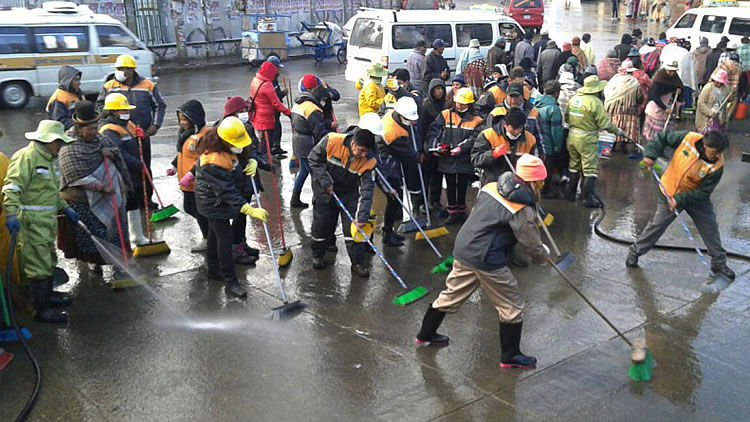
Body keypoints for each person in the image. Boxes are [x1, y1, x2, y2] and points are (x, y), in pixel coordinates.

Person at [414, 154, 550, 371]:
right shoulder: (521, 208)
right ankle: (510, 356)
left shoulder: (491, 187)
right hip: (487, 258)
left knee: (450, 295)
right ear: (535, 182)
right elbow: (530, 242)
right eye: (541, 182)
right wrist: (542, 256)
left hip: (465, 248)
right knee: (512, 305)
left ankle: (425, 334)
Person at [626, 130, 734, 281]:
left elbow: (704, 192)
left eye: (720, 152)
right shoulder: (688, 138)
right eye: (715, 152)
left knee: (710, 227)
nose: (717, 156)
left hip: (695, 198)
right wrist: (650, 155)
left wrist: (680, 199)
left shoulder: (717, 166)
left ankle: (718, 263)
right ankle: (635, 253)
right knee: (657, 225)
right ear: (705, 145)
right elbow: (662, 137)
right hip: (669, 190)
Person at [3, 120, 79, 323]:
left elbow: (51, 192)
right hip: (30, 221)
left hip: (45, 221)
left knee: (48, 259)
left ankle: (48, 297)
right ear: (47, 140)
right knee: (37, 264)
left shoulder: (49, 160)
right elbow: (12, 187)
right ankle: (41, 310)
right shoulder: (27, 157)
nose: (60, 147)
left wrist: (65, 208)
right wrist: (10, 213)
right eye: (58, 143)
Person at [187, 118, 268, 298]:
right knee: (225, 238)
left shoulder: (230, 144)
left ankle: (213, 269)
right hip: (212, 202)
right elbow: (226, 191)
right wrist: (249, 209)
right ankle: (231, 281)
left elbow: (245, 153)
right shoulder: (212, 161)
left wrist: (252, 161)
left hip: (219, 199)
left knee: (215, 235)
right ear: (224, 140)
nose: (239, 147)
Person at [58, 102, 130, 268]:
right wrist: (101, 187)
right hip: (81, 200)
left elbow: (116, 154)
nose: (93, 132)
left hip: (109, 196)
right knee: (92, 235)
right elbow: (74, 175)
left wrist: (110, 153)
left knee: (113, 231)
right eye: (89, 129)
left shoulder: (100, 139)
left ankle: (118, 263)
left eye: (95, 128)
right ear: (78, 128)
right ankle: (94, 263)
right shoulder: (69, 145)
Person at [308, 117, 379, 277]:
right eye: (361, 150)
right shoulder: (331, 140)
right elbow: (313, 159)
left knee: (353, 231)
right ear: (352, 143)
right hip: (325, 191)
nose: (363, 155)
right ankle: (318, 255)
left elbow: (367, 191)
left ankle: (357, 262)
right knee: (322, 226)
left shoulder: (368, 161)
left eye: (366, 152)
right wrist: (325, 181)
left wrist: (362, 217)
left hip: (349, 193)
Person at [95, 54, 166, 206]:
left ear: (132, 70)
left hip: (142, 135)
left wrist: (154, 126)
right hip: (120, 134)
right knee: (126, 166)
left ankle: (146, 199)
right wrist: (110, 116)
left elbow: (160, 106)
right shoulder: (109, 86)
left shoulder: (148, 86)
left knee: (144, 166)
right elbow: (100, 107)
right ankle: (130, 197)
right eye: (118, 69)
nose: (119, 71)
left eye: (123, 69)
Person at [220, 97, 270, 265]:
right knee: (239, 215)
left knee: (243, 218)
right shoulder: (224, 130)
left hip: (249, 179)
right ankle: (236, 249)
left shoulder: (247, 127)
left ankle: (241, 243)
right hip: (236, 181)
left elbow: (252, 149)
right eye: (240, 111)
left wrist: (262, 164)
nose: (244, 114)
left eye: (245, 111)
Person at [99, 93, 152, 247]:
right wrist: (139, 164)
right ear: (113, 111)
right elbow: (119, 153)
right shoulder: (109, 129)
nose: (126, 113)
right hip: (121, 174)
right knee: (123, 206)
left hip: (133, 173)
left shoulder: (128, 124)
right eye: (123, 111)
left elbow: (137, 143)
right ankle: (123, 240)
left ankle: (137, 236)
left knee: (134, 202)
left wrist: (141, 137)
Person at [565, 76, 624, 208]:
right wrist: (617, 131)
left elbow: (567, 118)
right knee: (589, 168)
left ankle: (570, 193)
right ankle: (587, 198)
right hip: (587, 139)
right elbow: (604, 124)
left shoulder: (574, 99)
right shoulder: (595, 103)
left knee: (574, 165)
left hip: (572, 137)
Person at [427, 88, 483, 224]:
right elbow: (434, 131)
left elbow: (475, 137)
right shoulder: (445, 114)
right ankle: (452, 211)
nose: (459, 106)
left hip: (464, 158)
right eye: (458, 103)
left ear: (469, 104)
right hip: (447, 158)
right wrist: (436, 146)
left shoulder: (477, 120)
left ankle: (461, 210)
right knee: (450, 184)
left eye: (463, 104)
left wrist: (461, 148)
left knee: (463, 184)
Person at [378, 97, 422, 246]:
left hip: (390, 155)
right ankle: (387, 233)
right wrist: (418, 157)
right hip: (386, 162)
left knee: (395, 197)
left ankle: (389, 231)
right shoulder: (393, 132)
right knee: (393, 196)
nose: (411, 122)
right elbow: (407, 153)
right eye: (408, 119)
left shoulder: (392, 114)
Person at [172, 99, 211, 253]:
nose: (182, 123)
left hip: (197, 181)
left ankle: (208, 237)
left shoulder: (204, 134)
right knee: (189, 208)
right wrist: (174, 165)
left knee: (198, 210)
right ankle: (210, 232)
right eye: (180, 119)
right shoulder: (185, 134)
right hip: (186, 182)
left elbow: (204, 158)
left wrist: (191, 174)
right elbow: (183, 153)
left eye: (185, 119)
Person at [290, 74, 329, 209]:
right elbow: (319, 132)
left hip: (298, 143)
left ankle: (295, 199)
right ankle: (318, 201)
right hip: (308, 145)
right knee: (316, 174)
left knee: (303, 171)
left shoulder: (298, 103)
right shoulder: (313, 109)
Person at [472, 107, 538, 186]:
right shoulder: (488, 135)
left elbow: (533, 165)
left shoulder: (530, 140)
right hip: (492, 184)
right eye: (513, 128)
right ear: (505, 124)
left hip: (518, 185)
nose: (516, 132)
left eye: (520, 128)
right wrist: (493, 154)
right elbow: (476, 159)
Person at [486, 83, 545, 155]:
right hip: (502, 154)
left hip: (525, 154)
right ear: (506, 96)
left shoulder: (533, 111)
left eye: (516, 97)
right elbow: (488, 136)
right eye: (511, 96)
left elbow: (539, 135)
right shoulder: (496, 113)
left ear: (522, 97)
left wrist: (542, 152)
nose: (513, 100)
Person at [250, 60, 291, 156]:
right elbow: (276, 103)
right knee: (266, 144)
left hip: (257, 117)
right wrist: (289, 113)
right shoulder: (267, 85)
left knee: (263, 142)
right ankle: (266, 163)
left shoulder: (255, 80)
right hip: (266, 119)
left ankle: (266, 159)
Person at [604, 61, 644, 152]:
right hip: (629, 111)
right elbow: (639, 98)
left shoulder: (614, 80)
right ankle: (624, 148)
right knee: (627, 133)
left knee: (613, 130)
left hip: (613, 110)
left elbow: (606, 93)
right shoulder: (634, 82)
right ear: (631, 71)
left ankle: (611, 147)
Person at [535, 81, 565, 197]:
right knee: (546, 170)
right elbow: (556, 131)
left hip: (537, 144)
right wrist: (558, 147)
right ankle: (545, 191)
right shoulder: (554, 109)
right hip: (548, 146)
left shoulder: (536, 104)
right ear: (557, 93)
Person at [421, 79, 448, 209]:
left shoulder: (445, 105)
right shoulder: (425, 105)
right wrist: (424, 148)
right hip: (428, 146)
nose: (440, 91)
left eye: (441, 89)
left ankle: (435, 200)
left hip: (441, 145)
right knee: (426, 176)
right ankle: (423, 202)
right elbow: (421, 129)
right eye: (437, 89)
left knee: (438, 174)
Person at [643, 62, 683, 142]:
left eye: (673, 71)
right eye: (670, 71)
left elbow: (679, 90)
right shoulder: (659, 80)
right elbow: (654, 95)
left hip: (669, 107)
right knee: (655, 133)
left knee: (667, 130)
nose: (672, 73)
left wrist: (679, 91)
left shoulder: (676, 79)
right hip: (657, 107)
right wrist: (664, 108)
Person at [46, 66, 83, 131]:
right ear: (68, 81)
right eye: (76, 80)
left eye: (79, 79)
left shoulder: (77, 93)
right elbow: (59, 122)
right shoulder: (58, 98)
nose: (79, 83)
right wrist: (81, 123)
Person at [266, 55, 288, 157]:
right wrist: (283, 93)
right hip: (271, 109)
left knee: (278, 128)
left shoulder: (274, 77)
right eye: (277, 67)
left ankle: (277, 147)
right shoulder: (269, 80)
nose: (278, 69)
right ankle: (273, 149)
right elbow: (273, 96)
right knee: (274, 129)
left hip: (276, 109)